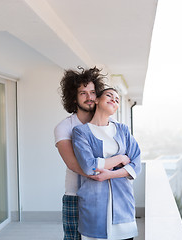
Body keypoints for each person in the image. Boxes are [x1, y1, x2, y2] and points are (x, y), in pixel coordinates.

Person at [54, 67, 131, 240]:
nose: (89, 97)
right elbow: (73, 164)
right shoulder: (65, 127)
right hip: (76, 195)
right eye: (83, 93)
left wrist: (108, 176)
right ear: (73, 98)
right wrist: (100, 175)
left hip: (111, 193)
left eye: (92, 92)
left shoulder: (113, 124)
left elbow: (130, 158)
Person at [72, 88, 141, 240]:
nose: (114, 100)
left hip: (123, 204)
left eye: (117, 100)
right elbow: (89, 166)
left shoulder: (122, 130)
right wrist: (120, 159)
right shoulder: (81, 132)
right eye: (109, 96)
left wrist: (110, 174)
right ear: (97, 100)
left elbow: (136, 162)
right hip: (94, 207)